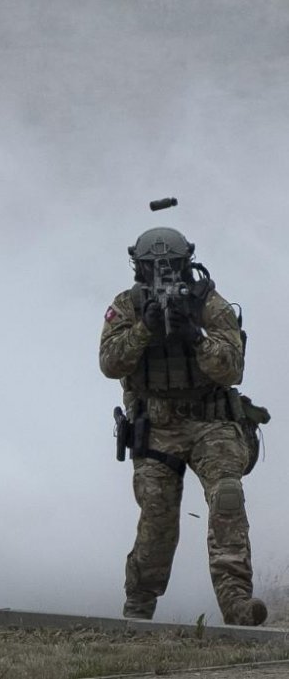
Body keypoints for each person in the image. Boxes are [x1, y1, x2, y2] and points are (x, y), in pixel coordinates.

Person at [100, 226, 265, 626]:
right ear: (139, 268)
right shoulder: (127, 305)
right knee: (157, 515)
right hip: (156, 425)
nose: (163, 275)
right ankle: (138, 606)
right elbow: (110, 364)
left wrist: (195, 337)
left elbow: (231, 369)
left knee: (227, 495)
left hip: (211, 422)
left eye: (170, 266)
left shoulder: (210, 305)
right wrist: (144, 330)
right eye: (154, 267)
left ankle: (236, 602)